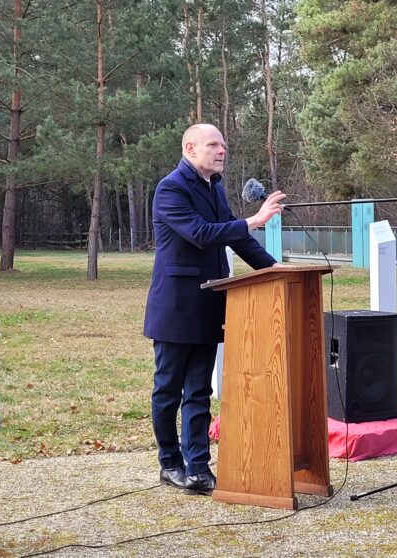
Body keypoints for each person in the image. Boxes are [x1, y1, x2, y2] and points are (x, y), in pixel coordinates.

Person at [143, 124, 285, 496]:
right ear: (190, 148)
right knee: (168, 391)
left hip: (209, 304)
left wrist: (276, 270)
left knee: (199, 392)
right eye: (213, 144)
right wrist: (254, 220)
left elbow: (236, 238)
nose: (222, 150)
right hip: (175, 307)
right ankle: (170, 464)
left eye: (223, 144)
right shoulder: (171, 188)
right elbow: (202, 233)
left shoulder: (215, 187)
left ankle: (198, 469)